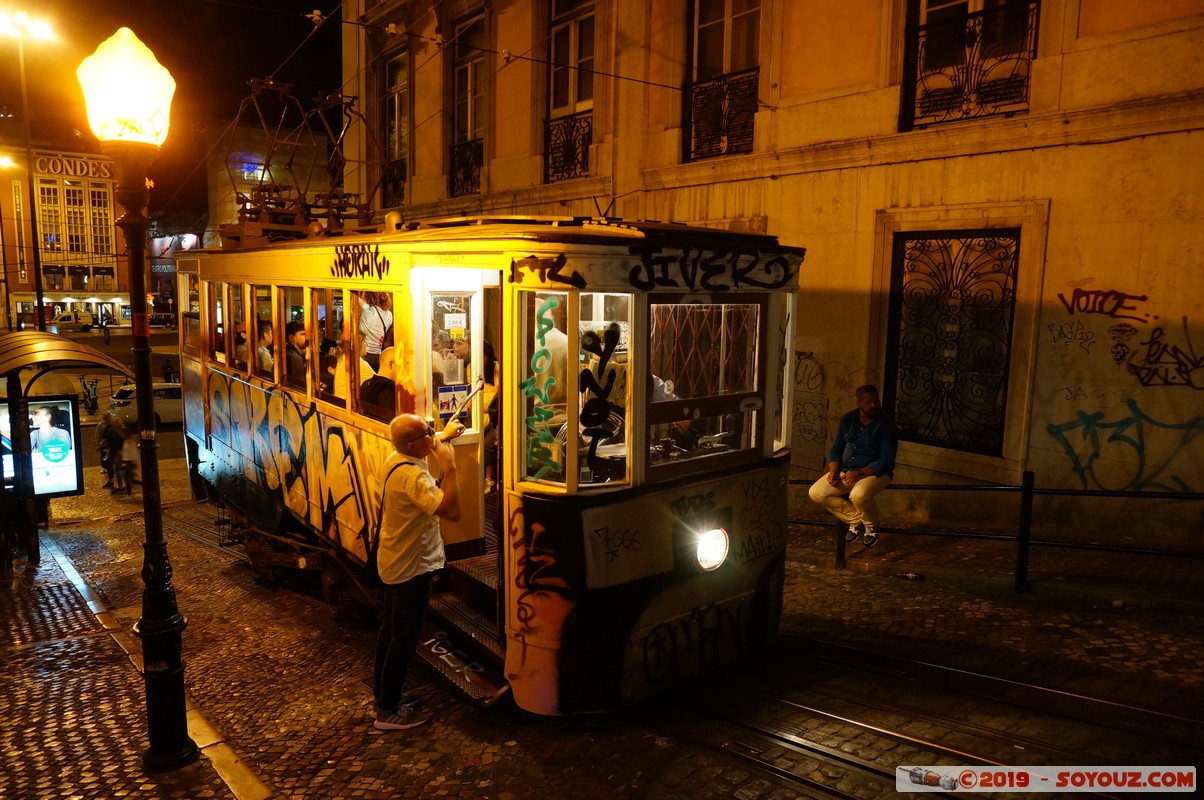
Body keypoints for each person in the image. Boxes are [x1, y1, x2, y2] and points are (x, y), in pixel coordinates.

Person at [372, 413, 465, 731]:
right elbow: (451, 510)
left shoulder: (395, 458)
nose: (433, 432)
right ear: (414, 444)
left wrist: (444, 437)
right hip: (412, 567)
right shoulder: (413, 478)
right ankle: (386, 712)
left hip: (394, 560)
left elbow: (423, 442)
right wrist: (450, 467)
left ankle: (384, 695)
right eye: (429, 431)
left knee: (389, 631)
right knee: (403, 640)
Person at [808, 385, 898, 548]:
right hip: (847, 471)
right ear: (858, 403)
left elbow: (887, 460)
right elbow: (836, 449)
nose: (874, 405)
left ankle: (871, 525)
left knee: (858, 494)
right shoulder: (848, 419)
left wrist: (860, 473)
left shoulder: (886, 425)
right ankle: (857, 520)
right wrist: (833, 471)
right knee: (817, 493)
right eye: (868, 402)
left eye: (876, 401)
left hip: (875, 473)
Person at [360, 291, 393, 372]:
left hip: (365, 353)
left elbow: (352, 296)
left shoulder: (368, 310)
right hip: (379, 355)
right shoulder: (389, 315)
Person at [96, 413, 117, 489]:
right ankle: (111, 481)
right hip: (110, 448)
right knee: (109, 464)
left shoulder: (111, 427)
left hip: (112, 449)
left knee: (110, 465)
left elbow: (106, 439)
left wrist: (99, 446)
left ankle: (112, 482)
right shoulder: (108, 426)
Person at [285, 320, 308, 385]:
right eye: (303, 334)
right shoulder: (296, 358)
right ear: (291, 337)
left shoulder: (287, 352)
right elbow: (299, 386)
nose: (307, 338)